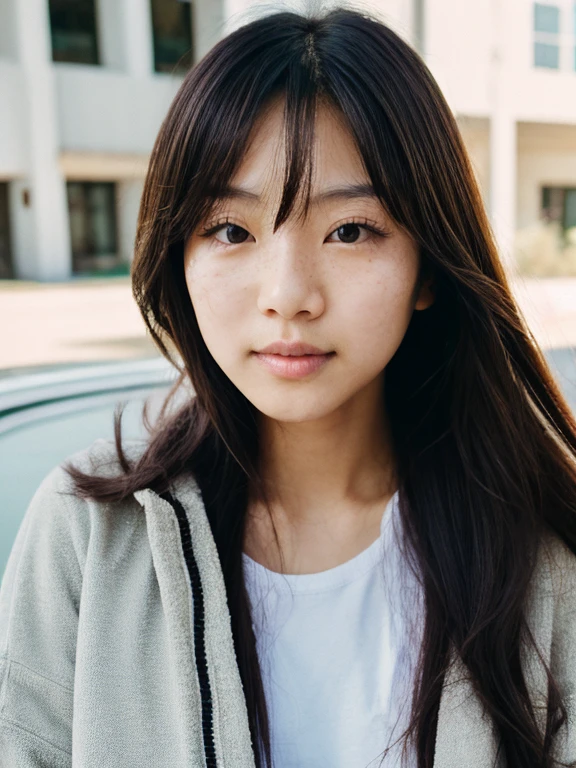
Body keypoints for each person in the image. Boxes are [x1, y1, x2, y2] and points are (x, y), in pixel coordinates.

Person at [1, 5, 576, 768]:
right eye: (231, 231)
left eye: (350, 230)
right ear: (179, 255)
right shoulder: (89, 538)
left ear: (427, 267)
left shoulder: (538, 553)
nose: (288, 294)